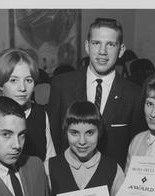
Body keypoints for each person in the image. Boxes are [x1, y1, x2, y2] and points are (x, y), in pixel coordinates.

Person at [48, 18, 146, 168]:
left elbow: (137, 146)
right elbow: (53, 137)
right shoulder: (61, 85)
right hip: (68, 177)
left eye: (111, 45)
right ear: (87, 46)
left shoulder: (134, 94)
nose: (102, 52)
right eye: (96, 43)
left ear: (121, 50)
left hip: (112, 181)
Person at [0, 48, 55, 171]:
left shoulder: (40, 115)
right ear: (0, 84)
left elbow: (50, 164)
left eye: (28, 80)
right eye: (14, 80)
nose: (22, 88)